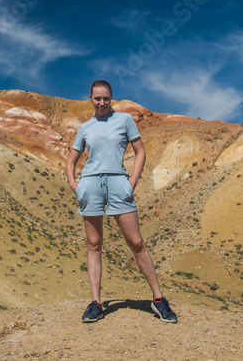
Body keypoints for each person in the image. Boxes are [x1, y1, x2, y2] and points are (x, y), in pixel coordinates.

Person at [66, 80, 177, 323]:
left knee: (136, 242)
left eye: (106, 98)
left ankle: (158, 300)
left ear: (111, 98)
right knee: (94, 243)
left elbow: (140, 151)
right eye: (97, 98)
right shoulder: (85, 127)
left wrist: (132, 182)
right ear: (91, 98)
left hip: (118, 182)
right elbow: (72, 158)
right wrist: (75, 184)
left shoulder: (125, 120)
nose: (102, 103)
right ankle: (96, 303)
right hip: (90, 184)